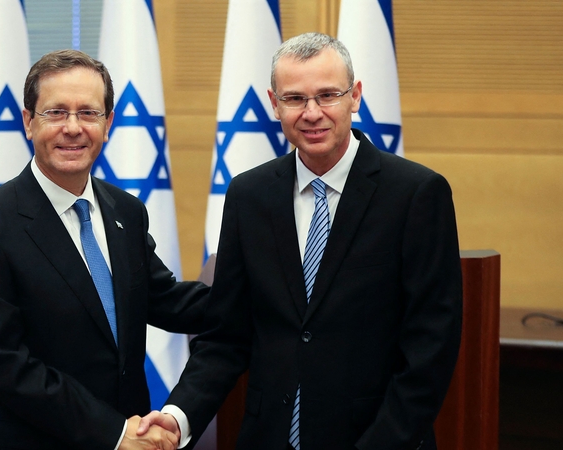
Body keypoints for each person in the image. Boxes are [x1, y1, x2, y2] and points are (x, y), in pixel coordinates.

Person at [139, 32, 463, 450]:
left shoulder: (416, 194)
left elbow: (430, 347)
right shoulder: (248, 195)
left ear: (356, 96)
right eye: (294, 99)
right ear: (274, 104)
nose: (312, 113)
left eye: (327, 95)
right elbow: (227, 333)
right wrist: (177, 418)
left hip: (377, 438)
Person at [0, 49, 209, 450]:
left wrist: (264, 292)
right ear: (27, 122)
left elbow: (165, 299)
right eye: (56, 112)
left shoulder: (126, 211)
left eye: (88, 113)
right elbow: (3, 364)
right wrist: (114, 433)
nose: (73, 128)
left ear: (108, 124)